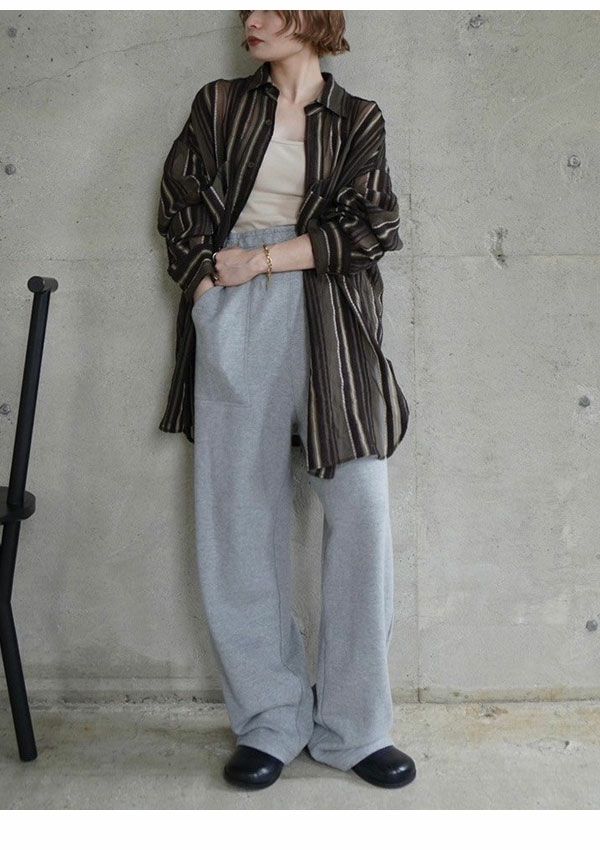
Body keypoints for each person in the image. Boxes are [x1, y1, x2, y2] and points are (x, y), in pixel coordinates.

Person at [157, 10, 415, 791]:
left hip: (333, 315)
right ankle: (270, 719)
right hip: (237, 310)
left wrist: (265, 259)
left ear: (316, 16)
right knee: (241, 518)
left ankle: (354, 727)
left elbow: (373, 225)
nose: (254, 19)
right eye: (248, 8)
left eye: (273, 6)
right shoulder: (220, 105)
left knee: (362, 514)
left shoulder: (358, 117)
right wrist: (208, 287)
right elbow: (179, 206)